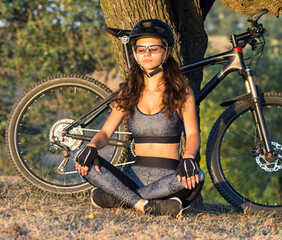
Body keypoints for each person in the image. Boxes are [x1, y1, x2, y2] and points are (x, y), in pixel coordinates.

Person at [73, 19, 203, 216]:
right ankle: (146, 205)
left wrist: (189, 158)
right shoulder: (128, 92)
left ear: (166, 52)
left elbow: (193, 134)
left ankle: (118, 197)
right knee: (82, 157)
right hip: (133, 176)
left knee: (198, 175)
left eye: (154, 48)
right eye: (141, 49)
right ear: (134, 53)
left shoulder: (181, 91)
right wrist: (91, 147)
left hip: (169, 179)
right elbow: (106, 133)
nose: (147, 53)